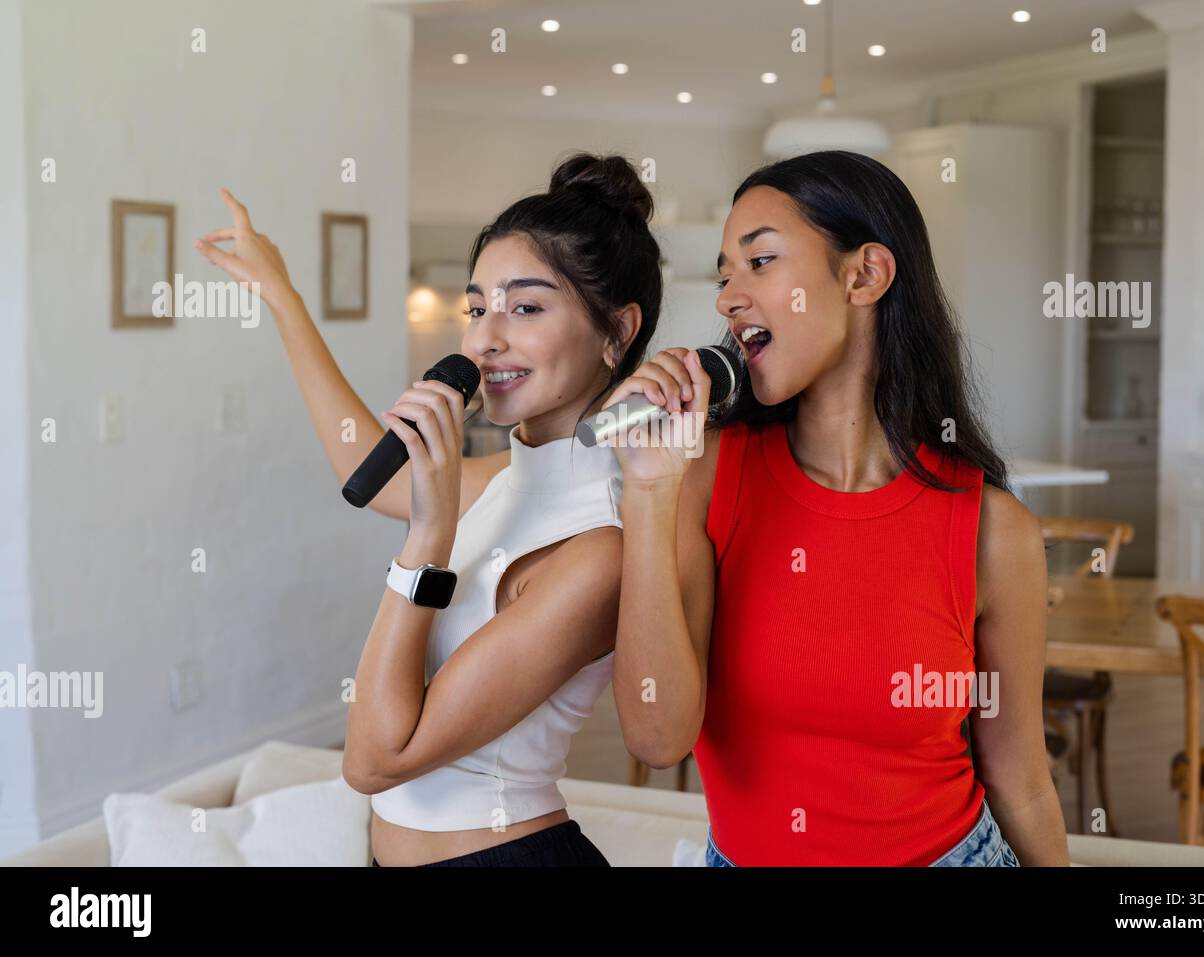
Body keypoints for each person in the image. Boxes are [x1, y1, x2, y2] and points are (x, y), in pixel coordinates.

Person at [603, 149, 1070, 866]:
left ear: (865, 275)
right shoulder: (701, 479)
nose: (728, 297)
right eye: (725, 272)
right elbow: (657, 737)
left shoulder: (993, 532)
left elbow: (1022, 781)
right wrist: (647, 492)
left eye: (759, 262)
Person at [196, 151, 662, 866]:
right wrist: (282, 296)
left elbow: (377, 758)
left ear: (617, 331)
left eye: (526, 307)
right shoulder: (504, 481)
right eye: (477, 307)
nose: (484, 338)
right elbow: (363, 462)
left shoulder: (595, 549)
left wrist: (429, 538)